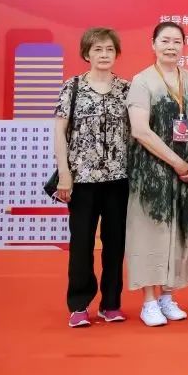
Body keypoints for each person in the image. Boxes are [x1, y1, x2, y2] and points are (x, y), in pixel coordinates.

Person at [126, 21, 188, 327]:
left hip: (186, 174)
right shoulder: (142, 81)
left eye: (176, 41)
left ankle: (167, 297)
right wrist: (176, 162)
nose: (171, 47)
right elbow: (140, 131)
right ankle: (148, 301)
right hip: (151, 174)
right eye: (165, 41)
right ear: (153, 44)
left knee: (179, 233)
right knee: (150, 235)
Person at [54, 28, 131, 328]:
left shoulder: (126, 89)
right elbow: (60, 133)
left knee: (115, 244)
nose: (104, 54)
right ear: (86, 54)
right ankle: (79, 305)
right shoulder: (72, 87)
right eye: (97, 49)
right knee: (82, 243)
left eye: (109, 49)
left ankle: (111, 303)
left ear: (116, 54)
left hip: (118, 180)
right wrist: (64, 174)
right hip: (82, 180)